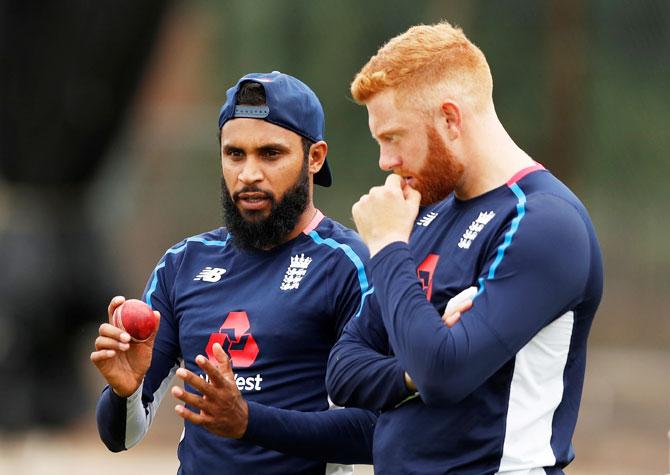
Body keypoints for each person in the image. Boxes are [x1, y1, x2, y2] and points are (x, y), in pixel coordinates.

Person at [326, 21, 604, 474]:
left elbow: (445, 375)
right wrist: (414, 365)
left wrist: (390, 246)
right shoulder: (426, 214)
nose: (385, 162)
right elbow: (342, 370)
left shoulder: (545, 222)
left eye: (393, 137)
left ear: (450, 119)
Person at [91, 71, 378, 475]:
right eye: (235, 154)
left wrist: (248, 421)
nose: (248, 175)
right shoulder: (182, 263)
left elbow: (379, 430)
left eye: (270, 154)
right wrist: (125, 391)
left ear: (314, 158)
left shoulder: (348, 264)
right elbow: (120, 438)